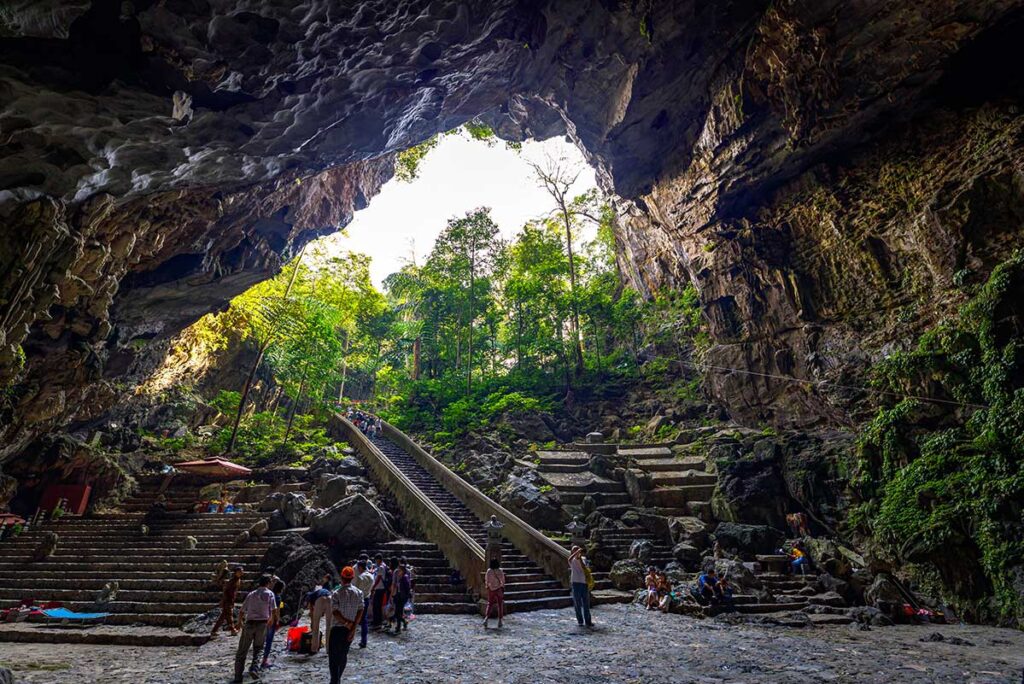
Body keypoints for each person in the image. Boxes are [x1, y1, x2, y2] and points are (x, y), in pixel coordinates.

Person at [233, 574, 277, 683]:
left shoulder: (251, 594)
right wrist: (272, 620)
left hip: (249, 624)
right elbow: (274, 610)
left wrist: (239, 622)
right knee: (259, 648)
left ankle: (238, 677)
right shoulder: (270, 594)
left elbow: (242, 610)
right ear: (268, 583)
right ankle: (254, 667)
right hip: (262, 624)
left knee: (242, 651)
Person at [328, 566, 364, 684]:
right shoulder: (359, 593)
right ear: (352, 578)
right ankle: (338, 679)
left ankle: (335, 680)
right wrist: (353, 628)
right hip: (349, 630)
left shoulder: (337, 593)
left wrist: (345, 622)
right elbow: (360, 610)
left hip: (337, 628)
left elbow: (335, 612)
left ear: (342, 578)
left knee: (333, 657)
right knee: (343, 655)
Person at [261, 578, 286, 669]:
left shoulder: (270, 595)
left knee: (262, 640)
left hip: (264, 618)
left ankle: (258, 659)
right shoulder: (278, 597)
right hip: (272, 620)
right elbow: (277, 610)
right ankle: (265, 660)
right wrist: (278, 621)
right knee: (269, 640)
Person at [304, 575, 334, 654]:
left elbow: (311, 610)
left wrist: (312, 620)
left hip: (320, 599)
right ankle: (329, 649)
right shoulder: (320, 591)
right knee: (329, 626)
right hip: (330, 598)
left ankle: (314, 649)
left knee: (316, 625)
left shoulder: (310, 596)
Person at [211, 566, 244, 636]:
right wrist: (224, 600)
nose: (241, 572)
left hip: (231, 600)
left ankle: (214, 631)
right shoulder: (232, 581)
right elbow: (226, 591)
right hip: (228, 600)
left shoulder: (238, 580)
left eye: (242, 571)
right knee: (229, 615)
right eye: (240, 571)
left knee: (223, 617)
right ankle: (233, 630)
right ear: (235, 572)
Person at [568, 546, 592, 627]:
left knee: (586, 603)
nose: (577, 551)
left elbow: (586, 568)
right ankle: (580, 621)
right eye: (574, 550)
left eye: (577, 549)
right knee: (577, 603)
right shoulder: (572, 560)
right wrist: (576, 553)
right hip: (575, 582)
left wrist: (580, 558)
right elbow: (569, 559)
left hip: (584, 582)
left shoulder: (584, 559)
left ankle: (588, 621)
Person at [354, 560, 374, 648]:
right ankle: (364, 640)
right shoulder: (371, 576)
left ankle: (349, 638)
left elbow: (356, 590)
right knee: (364, 620)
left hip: (359, 600)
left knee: (355, 619)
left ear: (360, 567)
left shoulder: (360, 577)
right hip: (367, 598)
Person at [391, 557, 412, 634]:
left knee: (398, 611)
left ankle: (398, 627)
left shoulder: (407, 572)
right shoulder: (396, 572)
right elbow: (394, 583)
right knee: (398, 611)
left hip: (403, 595)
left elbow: (408, 584)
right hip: (398, 593)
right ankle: (404, 622)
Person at [483, 557, 505, 629]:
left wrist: (488, 586)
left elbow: (487, 580)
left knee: (490, 604)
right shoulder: (500, 570)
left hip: (491, 589)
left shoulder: (489, 571)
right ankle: (500, 621)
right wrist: (501, 586)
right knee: (500, 604)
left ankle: (486, 619)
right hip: (498, 589)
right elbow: (502, 580)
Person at [370, 556, 390, 630]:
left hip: (379, 588)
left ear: (379, 560)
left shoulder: (381, 567)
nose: (376, 562)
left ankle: (377, 621)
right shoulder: (383, 566)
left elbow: (378, 578)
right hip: (380, 588)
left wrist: (373, 587)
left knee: (376, 605)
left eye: (376, 560)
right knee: (377, 605)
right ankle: (377, 621)